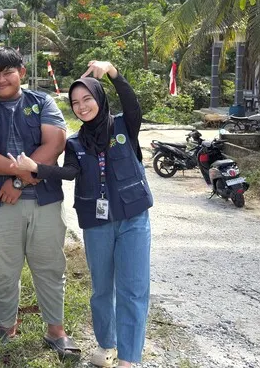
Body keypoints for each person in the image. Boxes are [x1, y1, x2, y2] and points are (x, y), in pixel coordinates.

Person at [9, 60, 153, 368]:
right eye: (75, 103)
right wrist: (36, 168)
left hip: (133, 217)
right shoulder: (75, 143)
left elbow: (132, 102)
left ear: (99, 98)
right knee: (102, 289)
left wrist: (113, 72)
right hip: (96, 221)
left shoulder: (125, 125)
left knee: (133, 288)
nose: (82, 106)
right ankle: (107, 344)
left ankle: (129, 359)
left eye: (87, 98)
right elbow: (70, 172)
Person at [0, 48, 80, 358]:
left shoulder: (43, 102)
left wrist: (19, 181)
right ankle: (6, 326)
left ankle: (56, 331)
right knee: (2, 267)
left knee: (49, 265)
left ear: (21, 71)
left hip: (44, 200)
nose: (0, 79)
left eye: (7, 72)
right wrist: (21, 172)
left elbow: (55, 143)